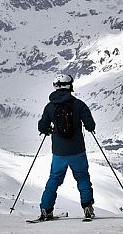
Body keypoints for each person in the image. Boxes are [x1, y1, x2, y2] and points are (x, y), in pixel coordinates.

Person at [37, 73, 96, 220]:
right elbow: (90, 125)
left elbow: (42, 126)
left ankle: (46, 209)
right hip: (77, 151)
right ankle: (87, 207)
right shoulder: (79, 104)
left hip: (59, 152)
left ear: (56, 86)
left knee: (54, 179)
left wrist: (49, 130)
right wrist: (87, 126)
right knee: (82, 178)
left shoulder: (50, 106)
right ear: (70, 86)